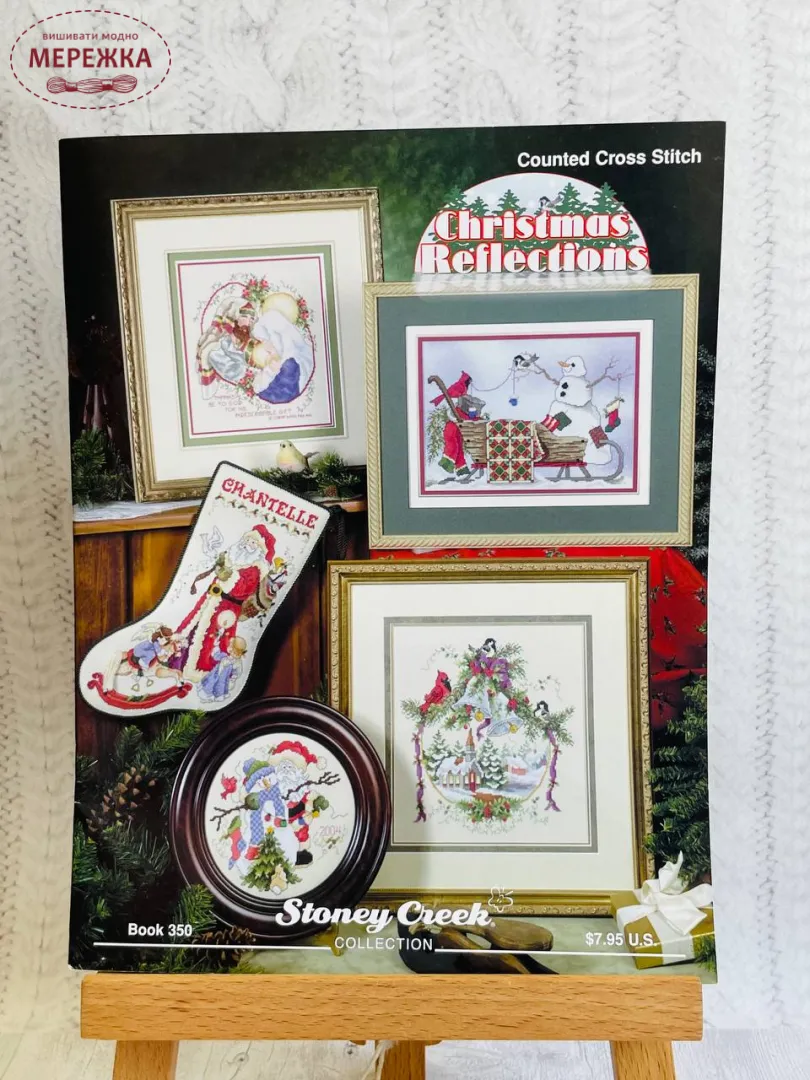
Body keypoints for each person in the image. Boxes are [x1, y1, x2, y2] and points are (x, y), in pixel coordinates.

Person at [249, 292, 315, 404]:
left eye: (265, 338)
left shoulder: (291, 354)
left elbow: (290, 358)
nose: (264, 343)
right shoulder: (275, 345)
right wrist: (271, 368)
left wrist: (275, 367)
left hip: (288, 381)